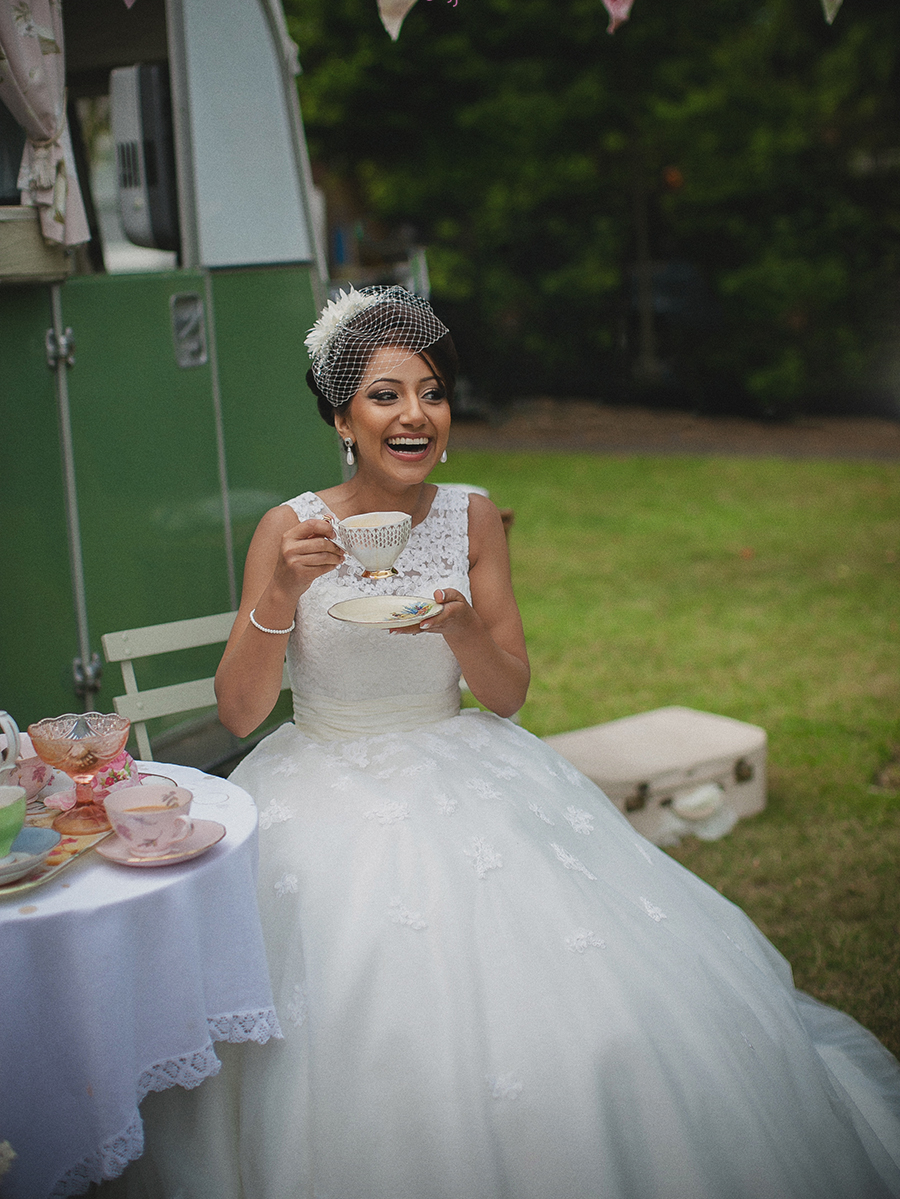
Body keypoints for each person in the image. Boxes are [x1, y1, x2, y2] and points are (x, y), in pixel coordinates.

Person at [131, 286, 900, 1199]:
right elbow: (240, 714)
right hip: (320, 777)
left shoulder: (472, 516)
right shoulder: (289, 528)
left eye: (432, 393)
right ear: (341, 417)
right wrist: (279, 597)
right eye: (385, 395)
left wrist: (459, 625)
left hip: (462, 759)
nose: (415, 415)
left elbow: (506, 696)